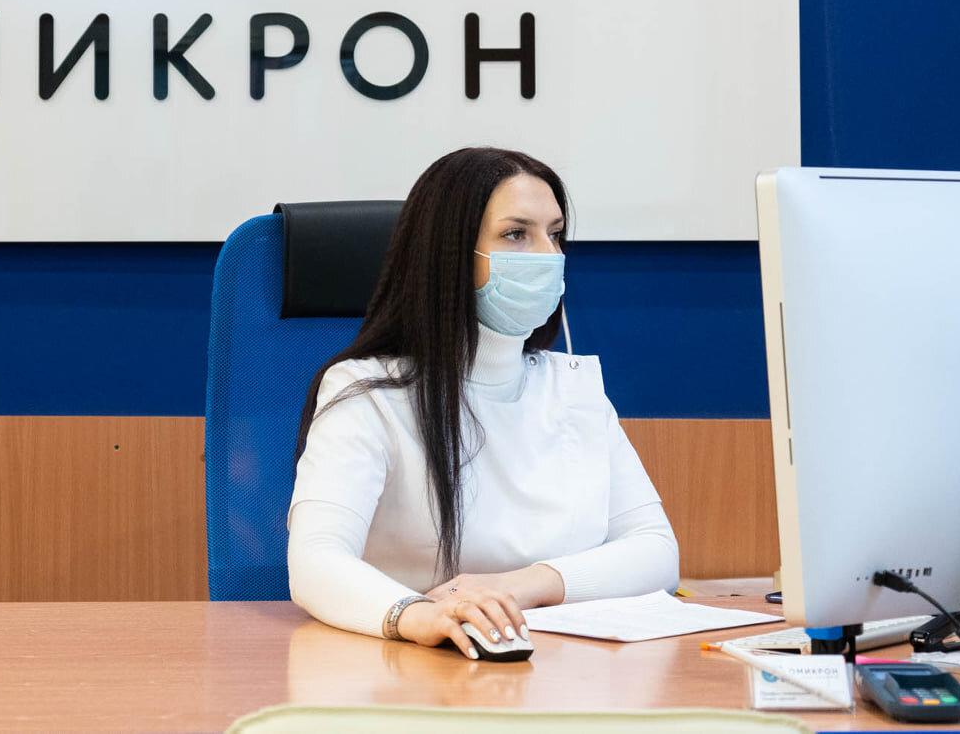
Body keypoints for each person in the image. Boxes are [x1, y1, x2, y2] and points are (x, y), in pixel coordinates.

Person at [288, 146, 678, 655]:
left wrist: (519, 587)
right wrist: (419, 616)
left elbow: (657, 551)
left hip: (560, 667)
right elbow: (315, 559)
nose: (548, 256)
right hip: (411, 668)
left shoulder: (573, 387)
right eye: (516, 234)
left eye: (555, 234)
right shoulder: (367, 392)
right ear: (449, 253)